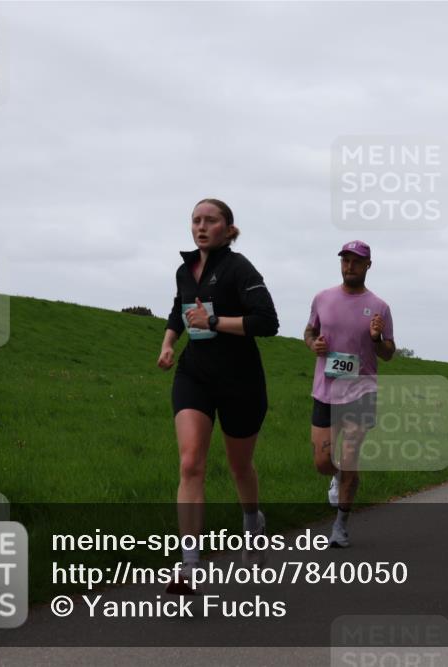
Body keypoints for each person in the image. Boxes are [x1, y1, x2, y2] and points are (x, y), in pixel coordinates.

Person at [158, 198, 279, 595]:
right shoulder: (184, 270)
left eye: (211, 220)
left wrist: (213, 321)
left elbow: (267, 321)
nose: (201, 226)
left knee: (239, 467)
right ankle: (189, 566)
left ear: (229, 229)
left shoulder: (239, 268)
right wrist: (169, 343)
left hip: (240, 380)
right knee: (191, 462)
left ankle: (252, 522)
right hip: (196, 374)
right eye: (195, 220)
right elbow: (179, 310)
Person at [305, 240, 395, 548]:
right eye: (345, 260)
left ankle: (340, 525)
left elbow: (389, 353)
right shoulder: (322, 298)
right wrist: (312, 344)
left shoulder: (380, 307)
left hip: (361, 389)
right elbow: (309, 331)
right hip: (326, 389)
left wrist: (376, 338)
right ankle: (338, 475)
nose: (349, 266)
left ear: (368, 265)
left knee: (350, 452)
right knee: (321, 461)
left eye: (356, 261)